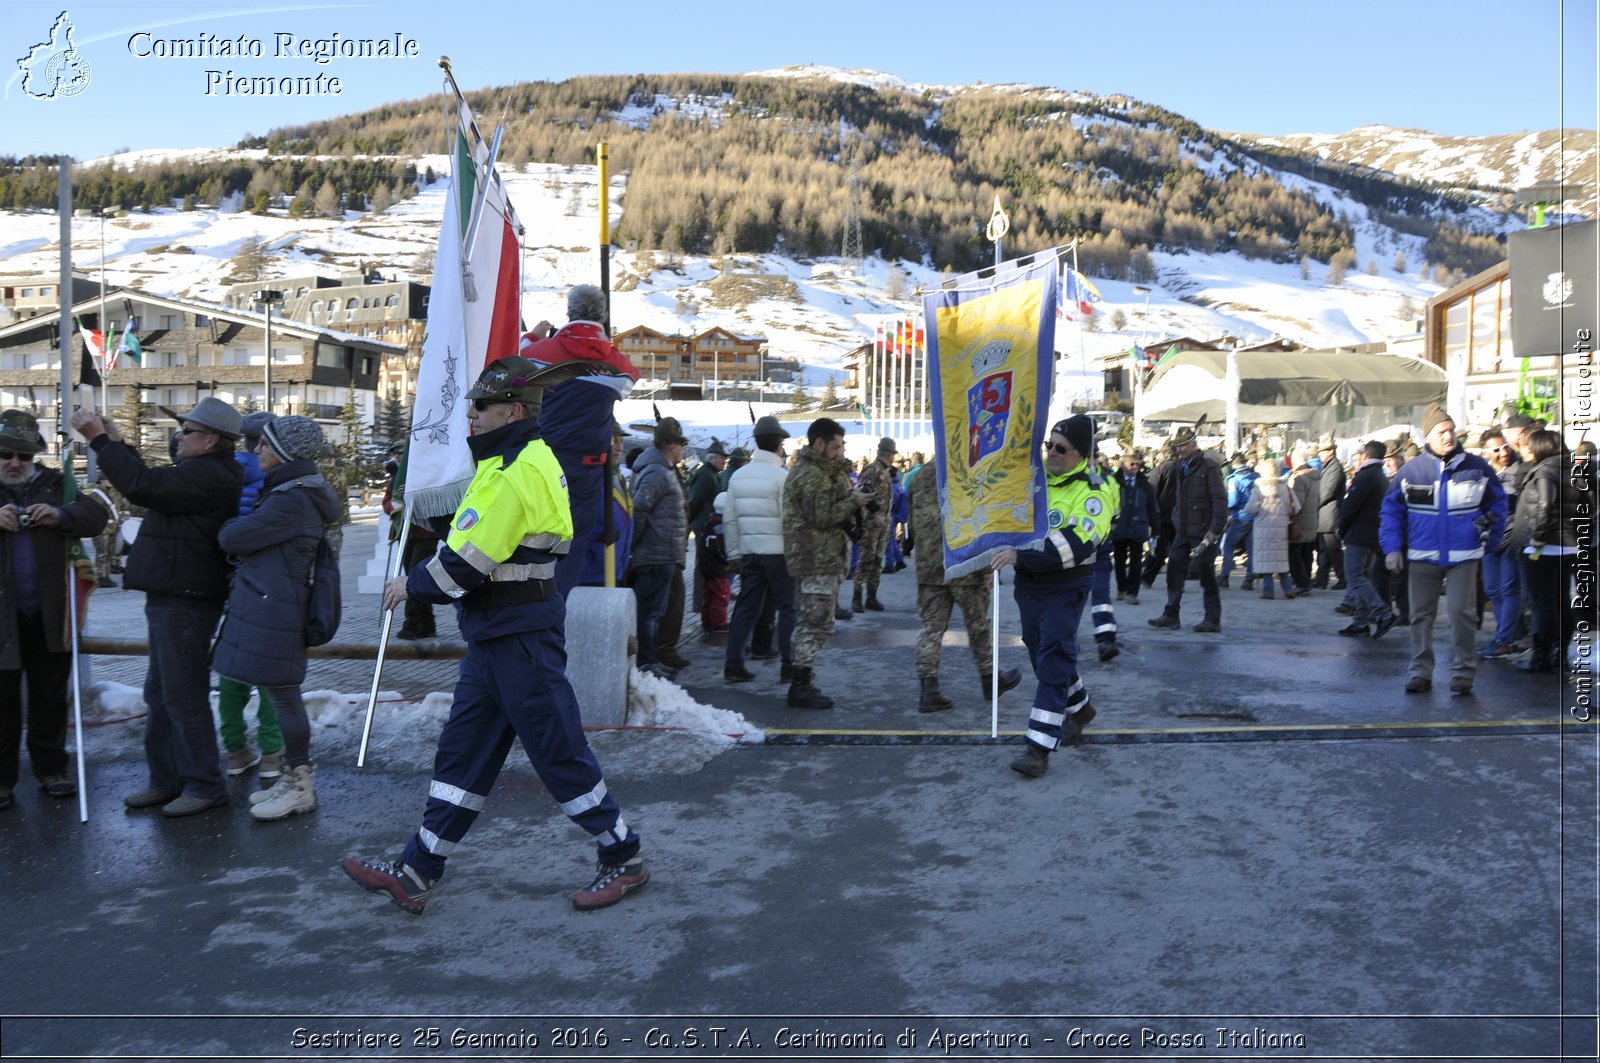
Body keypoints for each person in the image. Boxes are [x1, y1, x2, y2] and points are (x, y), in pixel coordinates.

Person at [345, 356, 646, 914]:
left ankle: (622, 855)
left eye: (479, 407)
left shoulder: (513, 470)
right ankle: (418, 867)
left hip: (518, 639)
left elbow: (466, 563)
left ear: (511, 409)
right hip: (499, 636)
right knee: (464, 753)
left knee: (558, 752)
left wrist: (410, 585)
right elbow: (481, 529)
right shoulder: (520, 460)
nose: (470, 417)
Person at [72, 397, 243, 817]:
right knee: (161, 693)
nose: (179, 436)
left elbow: (143, 486)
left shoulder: (210, 475)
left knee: (183, 695)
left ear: (210, 441)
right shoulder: (202, 471)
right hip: (174, 595)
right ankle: (167, 780)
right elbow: (150, 483)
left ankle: (204, 783)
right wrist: (115, 443)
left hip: (186, 598)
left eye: (188, 431)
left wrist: (99, 441)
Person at [212, 416, 340, 821]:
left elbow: (232, 538)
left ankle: (299, 784)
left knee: (285, 699)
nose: (256, 451)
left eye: (264, 445)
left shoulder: (290, 499)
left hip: (278, 608)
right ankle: (291, 777)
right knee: (283, 696)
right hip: (278, 604)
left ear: (285, 453)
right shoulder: (294, 491)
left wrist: (233, 525)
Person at [991, 416, 1113, 778]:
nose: (1052, 453)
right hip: (1029, 585)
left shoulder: (1094, 491)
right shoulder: (1035, 480)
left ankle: (1038, 747)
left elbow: (1077, 543)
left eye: (1061, 448)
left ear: (1081, 454)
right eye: (1049, 445)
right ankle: (1082, 708)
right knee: (1041, 653)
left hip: (1066, 586)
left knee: (1055, 656)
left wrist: (1020, 555)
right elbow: (1008, 522)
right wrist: (992, 557)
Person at [0, 410, 109, 809]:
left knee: (49, 699)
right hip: (2, 620)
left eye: (23, 457)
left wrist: (61, 514)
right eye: (6, 454)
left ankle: (51, 771)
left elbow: (97, 516)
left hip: (49, 614)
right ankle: (2, 780)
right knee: (1, 703)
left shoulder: (54, 483)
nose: (14, 463)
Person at [514, 284, 639, 598]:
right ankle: (557, 612)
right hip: (586, 474)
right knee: (572, 548)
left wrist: (534, 337)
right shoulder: (617, 367)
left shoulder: (538, 355)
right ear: (603, 316)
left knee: (531, 544)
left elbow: (513, 362)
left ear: (568, 312)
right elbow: (631, 381)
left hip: (541, 467)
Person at [1380, 404, 1508, 696]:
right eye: (1442, 432)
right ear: (1428, 437)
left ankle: (1463, 673)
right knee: (1420, 616)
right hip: (1422, 555)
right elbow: (1391, 512)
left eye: (1451, 430)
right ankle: (1420, 673)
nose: (1449, 436)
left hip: (1464, 555)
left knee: (1462, 615)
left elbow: (1498, 505)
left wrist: (1492, 539)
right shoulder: (1410, 471)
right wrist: (1392, 549)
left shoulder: (1478, 467)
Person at [905, 449, 1021, 711]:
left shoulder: (919, 476)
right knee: (978, 626)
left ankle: (928, 689)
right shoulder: (971, 473)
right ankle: (990, 680)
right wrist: (987, 568)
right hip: (965, 564)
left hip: (930, 566)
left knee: (931, 629)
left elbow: (913, 522)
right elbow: (982, 524)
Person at [783, 418, 872, 710]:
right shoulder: (809, 475)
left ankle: (801, 677)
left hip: (822, 559)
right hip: (814, 560)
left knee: (816, 622)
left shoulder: (821, 473)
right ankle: (800, 684)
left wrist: (851, 497)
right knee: (816, 624)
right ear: (819, 444)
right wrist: (853, 502)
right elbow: (821, 516)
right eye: (835, 446)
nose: (839, 451)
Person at [217, 411, 284, 780]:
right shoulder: (275, 477)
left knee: (230, 671)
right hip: (266, 586)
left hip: (227, 584)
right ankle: (273, 752)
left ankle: (235, 750)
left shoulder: (221, 470)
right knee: (271, 672)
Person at [721, 416, 797, 685]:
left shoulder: (738, 476)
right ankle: (789, 666)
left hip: (750, 552)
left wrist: (734, 555)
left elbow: (730, 520)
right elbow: (789, 519)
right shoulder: (782, 477)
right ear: (779, 445)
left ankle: (733, 665)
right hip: (779, 553)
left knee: (746, 608)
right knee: (787, 608)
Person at [1511, 429, 1579, 672]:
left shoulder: (1545, 470)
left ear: (1540, 448)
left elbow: (1545, 505)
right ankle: (1559, 654)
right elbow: (1590, 508)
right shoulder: (1572, 470)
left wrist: (1538, 536)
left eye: (1529, 446)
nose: (1525, 450)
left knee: (1543, 604)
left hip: (1544, 547)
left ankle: (1542, 656)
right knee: (1561, 602)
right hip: (1569, 546)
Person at [1147, 425, 1226, 633]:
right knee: (1174, 569)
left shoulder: (1208, 467)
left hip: (1203, 535)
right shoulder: (1181, 467)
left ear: (1193, 445)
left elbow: (1220, 501)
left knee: (1205, 572)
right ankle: (1171, 614)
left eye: (1183, 446)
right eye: (1178, 446)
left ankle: (1212, 619)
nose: (1180, 450)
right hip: (1183, 533)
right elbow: (1180, 499)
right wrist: (1176, 518)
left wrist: (1214, 530)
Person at [631, 417, 690, 678]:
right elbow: (640, 508)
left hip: (662, 554)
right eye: (681, 445)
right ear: (670, 445)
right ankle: (647, 662)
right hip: (655, 555)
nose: (683, 450)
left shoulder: (662, 469)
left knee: (655, 611)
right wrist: (634, 546)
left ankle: (651, 659)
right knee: (650, 613)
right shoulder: (657, 471)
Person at [382, 441, 442, 641]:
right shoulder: (396, 478)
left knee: (416, 575)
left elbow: (436, 497)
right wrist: (397, 505)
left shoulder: (426, 473)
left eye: (401, 452)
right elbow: (387, 502)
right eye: (394, 453)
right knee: (412, 574)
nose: (397, 456)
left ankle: (413, 623)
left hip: (425, 532)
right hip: (404, 533)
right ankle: (427, 622)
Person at [1335, 440, 1395, 640]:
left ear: (1365, 456)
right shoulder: (1380, 476)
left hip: (1359, 534)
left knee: (1355, 576)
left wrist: (1341, 528)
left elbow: (1350, 506)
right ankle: (1360, 621)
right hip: (1372, 534)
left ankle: (1383, 614)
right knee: (1363, 576)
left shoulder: (1365, 476)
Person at [1476, 427, 1527, 659]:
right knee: (1493, 589)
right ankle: (1505, 633)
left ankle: (1504, 639)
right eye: (1497, 449)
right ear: (1487, 453)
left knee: (1508, 588)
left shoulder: (1518, 472)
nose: (1503, 452)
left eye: (1505, 446)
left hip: (1511, 538)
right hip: (1488, 539)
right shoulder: (1482, 474)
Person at [579, 424, 633, 587]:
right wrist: (597, 539)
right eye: (614, 440)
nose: (619, 447)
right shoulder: (588, 480)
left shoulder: (619, 479)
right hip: (592, 574)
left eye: (621, 440)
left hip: (616, 568)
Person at [686, 441, 731, 631]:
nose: (724, 462)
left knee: (707, 567)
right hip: (705, 526)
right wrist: (688, 526)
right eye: (722, 458)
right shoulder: (706, 475)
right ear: (713, 458)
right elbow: (694, 501)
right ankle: (700, 603)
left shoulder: (712, 474)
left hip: (709, 525)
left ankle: (704, 605)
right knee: (706, 567)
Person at [850, 437, 896, 612]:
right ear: (888, 454)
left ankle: (871, 596)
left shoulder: (885, 471)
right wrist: (875, 514)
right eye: (892, 454)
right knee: (866, 560)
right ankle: (857, 596)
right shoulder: (873, 470)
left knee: (877, 560)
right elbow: (863, 493)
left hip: (883, 524)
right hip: (871, 523)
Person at [1243, 458, 1297, 599]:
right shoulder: (1285, 488)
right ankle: (1287, 589)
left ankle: (1268, 591)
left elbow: (1250, 509)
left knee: (1266, 561)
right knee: (1281, 561)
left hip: (1263, 529)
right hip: (1281, 528)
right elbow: (1295, 507)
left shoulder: (1258, 490)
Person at [1109, 451, 1157, 604]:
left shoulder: (1145, 484)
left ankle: (1132, 593)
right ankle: (1121, 588)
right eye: (1132, 464)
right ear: (1123, 465)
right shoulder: (1113, 482)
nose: (1135, 467)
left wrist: (1156, 529)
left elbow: (1153, 507)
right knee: (1119, 561)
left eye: (1138, 464)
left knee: (1136, 562)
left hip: (1138, 527)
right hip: (1119, 527)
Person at [1219, 452, 1258, 590]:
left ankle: (1224, 576)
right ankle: (1249, 579)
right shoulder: (1256, 477)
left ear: (1234, 465)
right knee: (1251, 548)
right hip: (1254, 517)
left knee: (1228, 546)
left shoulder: (1234, 480)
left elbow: (1233, 501)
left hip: (1239, 517)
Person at [1313, 437, 1346, 590]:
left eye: (1322, 451)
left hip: (1330, 515)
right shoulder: (1328, 466)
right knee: (1324, 550)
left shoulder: (1335, 468)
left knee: (1333, 550)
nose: (1320, 454)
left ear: (1331, 451)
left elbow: (1328, 491)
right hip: (1325, 515)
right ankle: (1321, 579)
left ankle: (1342, 577)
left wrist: (1314, 503)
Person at [1286, 442, 1319, 594]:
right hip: (1312, 521)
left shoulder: (1298, 478)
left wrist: (1290, 517)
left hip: (1299, 522)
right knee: (1306, 552)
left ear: (1294, 461)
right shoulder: (1315, 476)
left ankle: (1302, 583)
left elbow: (1295, 504)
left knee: (1293, 553)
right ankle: (1306, 582)